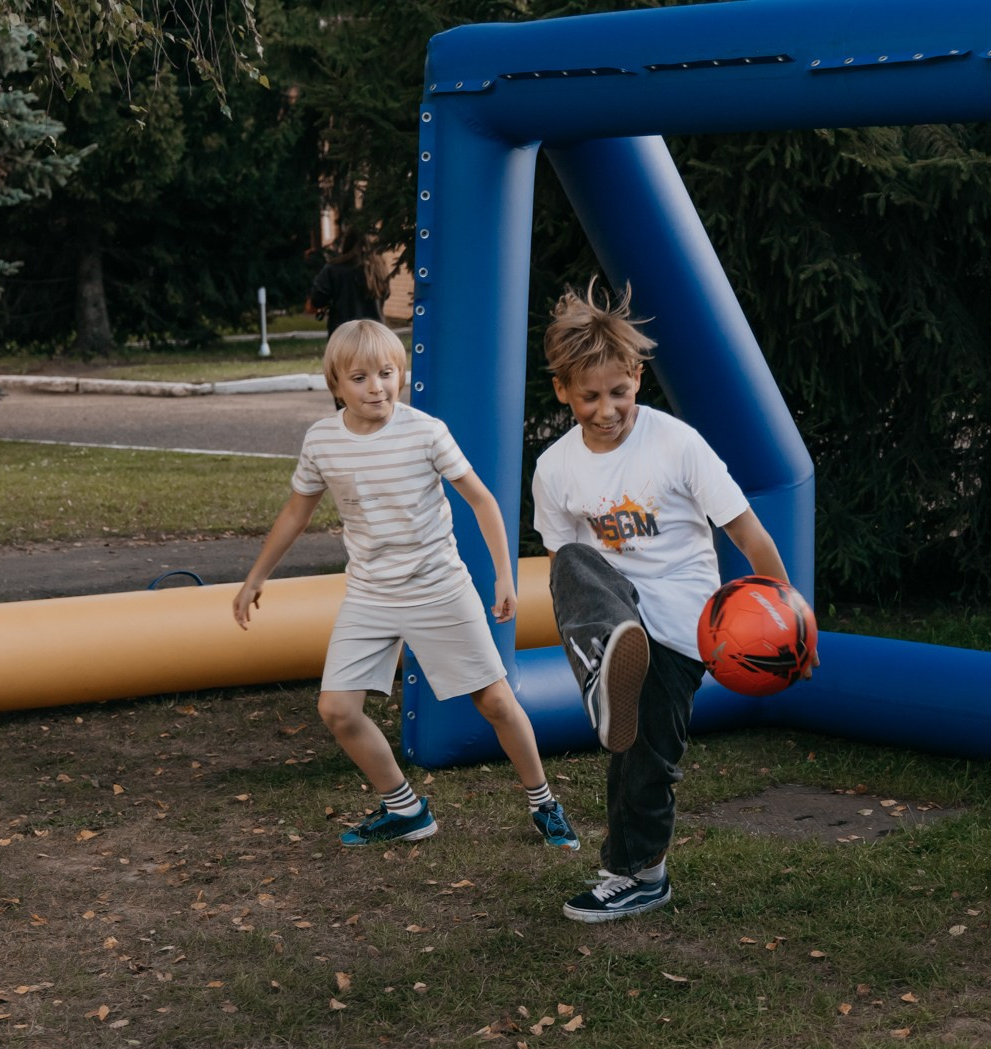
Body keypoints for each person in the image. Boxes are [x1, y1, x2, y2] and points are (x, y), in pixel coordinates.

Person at [234, 319, 579, 851]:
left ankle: (544, 804)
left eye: (387, 373)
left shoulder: (425, 431)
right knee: (336, 710)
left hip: (439, 589)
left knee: (494, 701)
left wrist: (505, 574)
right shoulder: (322, 440)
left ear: (401, 375)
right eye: (360, 377)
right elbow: (296, 514)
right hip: (370, 595)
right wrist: (256, 577)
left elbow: (482, 500)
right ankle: (405, 809)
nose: (376, 386)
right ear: (335, 384)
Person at [532, 282, 798, 924]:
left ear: (637, 379)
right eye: (589, 396)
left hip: (681, 628)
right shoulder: (555, 468)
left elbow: (747, 532)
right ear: (563, 391)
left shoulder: (677, 444)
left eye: (618, 392)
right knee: (570, 561)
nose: (605, 409)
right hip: (615, 619)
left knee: (646, 754)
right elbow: (567, 570)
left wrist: (790, 620)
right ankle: (606, 673)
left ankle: (642, 875)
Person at [305, 239, 388, 334]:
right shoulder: (380, 269)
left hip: (343, 335)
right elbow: (386, 294)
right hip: (376, 335)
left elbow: (315, 302)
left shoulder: (333, 269)